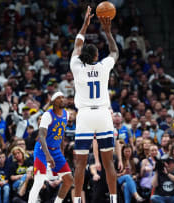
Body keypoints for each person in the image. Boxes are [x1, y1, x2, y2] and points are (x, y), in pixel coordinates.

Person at [70, 6, 119, 203]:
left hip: (85, 116)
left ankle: (76, 201)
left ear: (82, 56)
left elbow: (77, 45)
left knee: (80, 164)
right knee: (108, 163)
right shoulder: (104, 66)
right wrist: (107, 32)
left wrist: (84, 25)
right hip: (103, 114)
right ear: (97, 56)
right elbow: (115, 51)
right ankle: (114, 200)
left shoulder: (76, 66)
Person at [28, 92, 73, 203]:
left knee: (68, 180)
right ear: (53, 102)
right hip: (42, 150)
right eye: (59, 98)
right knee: (38, 182)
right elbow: (41, 135)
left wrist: (61, 151)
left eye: (63, 97)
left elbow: (61, 133)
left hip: (56, 150)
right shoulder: (47, 115)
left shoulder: (66, 114)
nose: (62, 99)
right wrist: (47, 155)